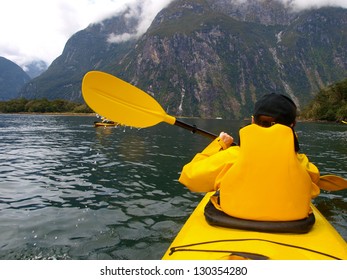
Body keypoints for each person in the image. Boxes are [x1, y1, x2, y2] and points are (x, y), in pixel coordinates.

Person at [179, 93, 320, 222]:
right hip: (291, 222)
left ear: (253, 121)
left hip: (233, 216)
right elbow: (313, 186)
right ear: (292, 125)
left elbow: (188, 177)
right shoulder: (302, 162)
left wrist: (219, 144)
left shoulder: (234, 155)